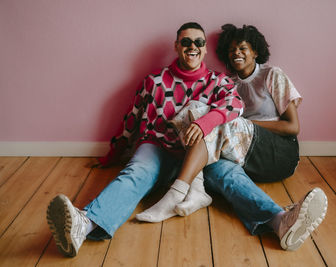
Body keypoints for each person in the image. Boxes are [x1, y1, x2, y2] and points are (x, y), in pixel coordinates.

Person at [46, 22, 243, 257]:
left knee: (233, 177)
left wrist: (206, 122)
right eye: (186, 42)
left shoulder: (218, 81)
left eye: (199, 42)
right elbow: (131, 120)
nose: (193, 47)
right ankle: (84, 225)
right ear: (176, 46)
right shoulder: (154, 81)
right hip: (157, 147)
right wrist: (112, 155)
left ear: (205, 49)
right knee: (136, 172)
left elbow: (236, 104)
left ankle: (278, 220)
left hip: (198, 155)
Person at [142, 24, 328, 251]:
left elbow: (293, 127)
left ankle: (177, 192)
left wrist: (239, 122)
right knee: (217, 167)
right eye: (231, 50)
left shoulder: (272, 74)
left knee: (208, 115)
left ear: (256, 51)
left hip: (279, 153)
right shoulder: (227, 82)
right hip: (243, 153)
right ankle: (279, 221)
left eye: (242, 48)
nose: (236, 53)